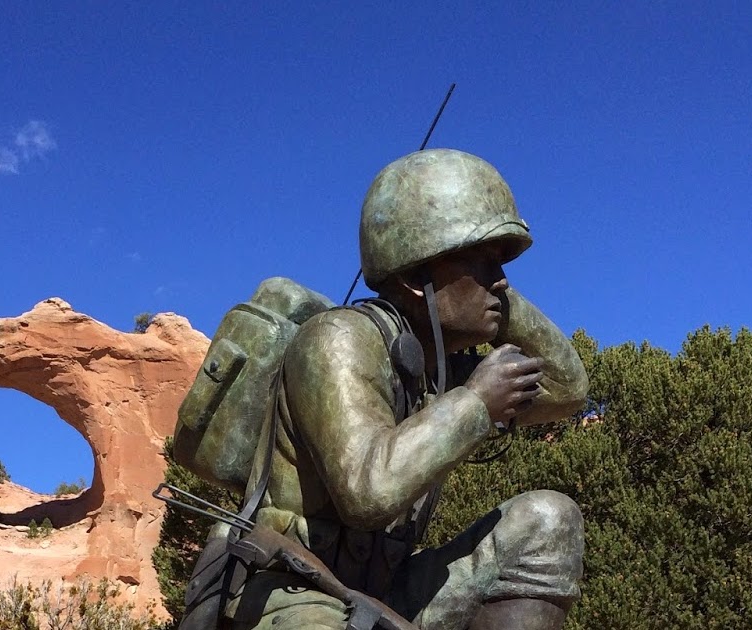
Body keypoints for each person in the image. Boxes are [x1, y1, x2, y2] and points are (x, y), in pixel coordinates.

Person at [223, 149, 590, 630]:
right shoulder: (336, 339)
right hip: (287, 586)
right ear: (417, 276)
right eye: (480, 262)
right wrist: (477, 403)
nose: (501, 280)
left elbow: (567, 389)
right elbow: (366, 492)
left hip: (383, 586)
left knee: (549, 519)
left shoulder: (442, 371)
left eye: (500, 264)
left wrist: (496, 299)